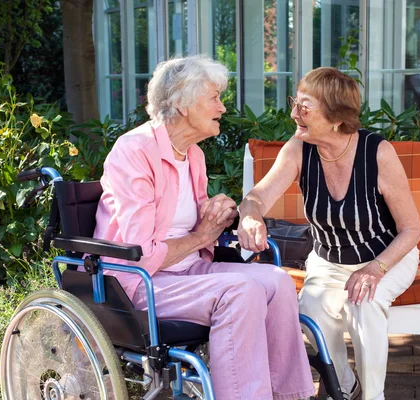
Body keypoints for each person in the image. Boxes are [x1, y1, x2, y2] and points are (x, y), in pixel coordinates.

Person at [93, 55, 316, 400]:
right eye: (214, 97)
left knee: (277, 281)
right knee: (241, 292)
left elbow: (195, 224)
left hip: (189, 272)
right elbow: (141, 254)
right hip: (140, 286)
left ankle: (291, 395)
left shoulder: (192, 154)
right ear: (183, 103)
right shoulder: (134, 151)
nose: (222, 107)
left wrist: (217, 212)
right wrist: (201, 235)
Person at [238, 67, 420, 400]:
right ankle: (344, 384)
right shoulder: (299, 148)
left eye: (304, 107)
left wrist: (375, 269)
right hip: (328, 260)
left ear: (336, 117)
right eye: (296, 102)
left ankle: (372, 397)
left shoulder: (377, 153)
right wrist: (250, 216)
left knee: (364, 304)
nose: (294, 113)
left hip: (386, 257)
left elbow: (412, 229)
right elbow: (258, 196)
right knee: (310, 307)